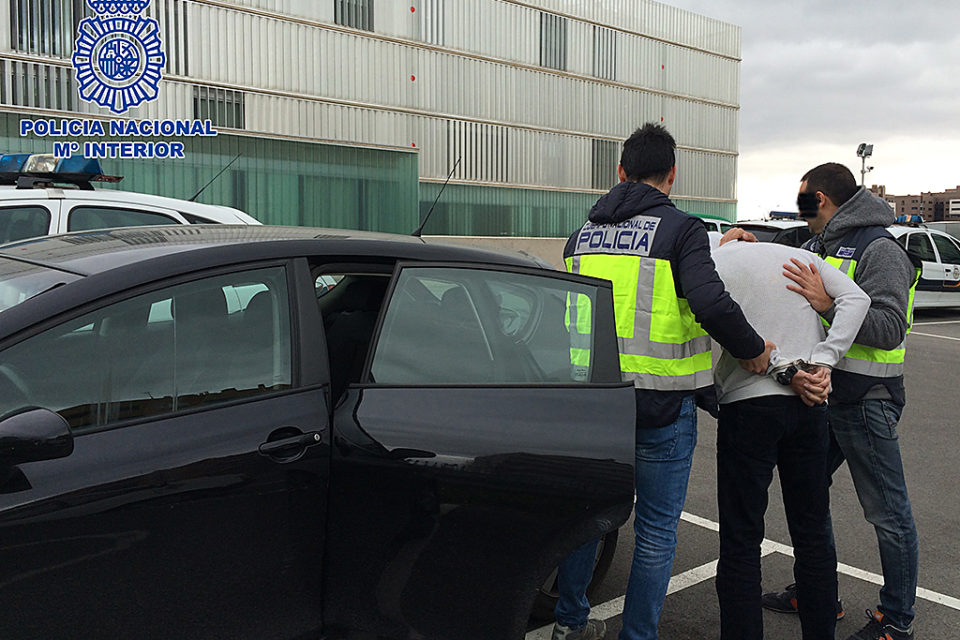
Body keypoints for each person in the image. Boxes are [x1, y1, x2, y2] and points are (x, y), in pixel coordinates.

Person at [552, 123, 774, 640]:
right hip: (662, 409)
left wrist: (716, 242)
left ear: (620, 172)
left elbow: (634, 277)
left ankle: (569, 625)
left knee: (588, 521)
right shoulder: (680, 230)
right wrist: (754, 349)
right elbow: (709, 300)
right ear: (672, 175)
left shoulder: (581, 234)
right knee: (654, 535)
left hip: (594, 404)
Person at [762, 163, 920, 640]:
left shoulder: (881, 250)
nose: (800, 210)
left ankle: (896, 619)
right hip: (825, 397)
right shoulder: (818, 244)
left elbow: (890, 327)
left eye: (804, 201)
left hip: (867, 400)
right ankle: (817, 593)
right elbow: (782, 267)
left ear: (823, 200)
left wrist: (829, 308)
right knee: (808, 498)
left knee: (888, 514)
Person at [711, 231, 870, 640]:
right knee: (812, 531)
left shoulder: (715, 261)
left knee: (742, 539)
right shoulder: (797, 256)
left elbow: (717, 319)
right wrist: (824, 360)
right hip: (811, 407)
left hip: (748, 405)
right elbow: (858, 300)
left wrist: (783, 366)